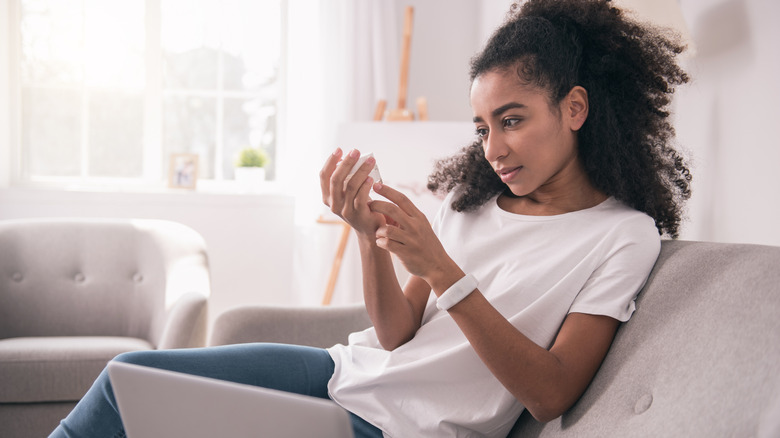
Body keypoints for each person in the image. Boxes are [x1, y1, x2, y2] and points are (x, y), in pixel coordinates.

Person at [50, 0, 691, 436]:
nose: (493, 147)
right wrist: (367, 237)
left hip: (391, 426)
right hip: (340, 375)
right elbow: (393, 335)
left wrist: (442, 269)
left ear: (574, 108)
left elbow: (551, 393)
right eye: (483, 126)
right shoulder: (473, 204)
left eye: (513, 119)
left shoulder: (621, 235)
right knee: (124, 382)